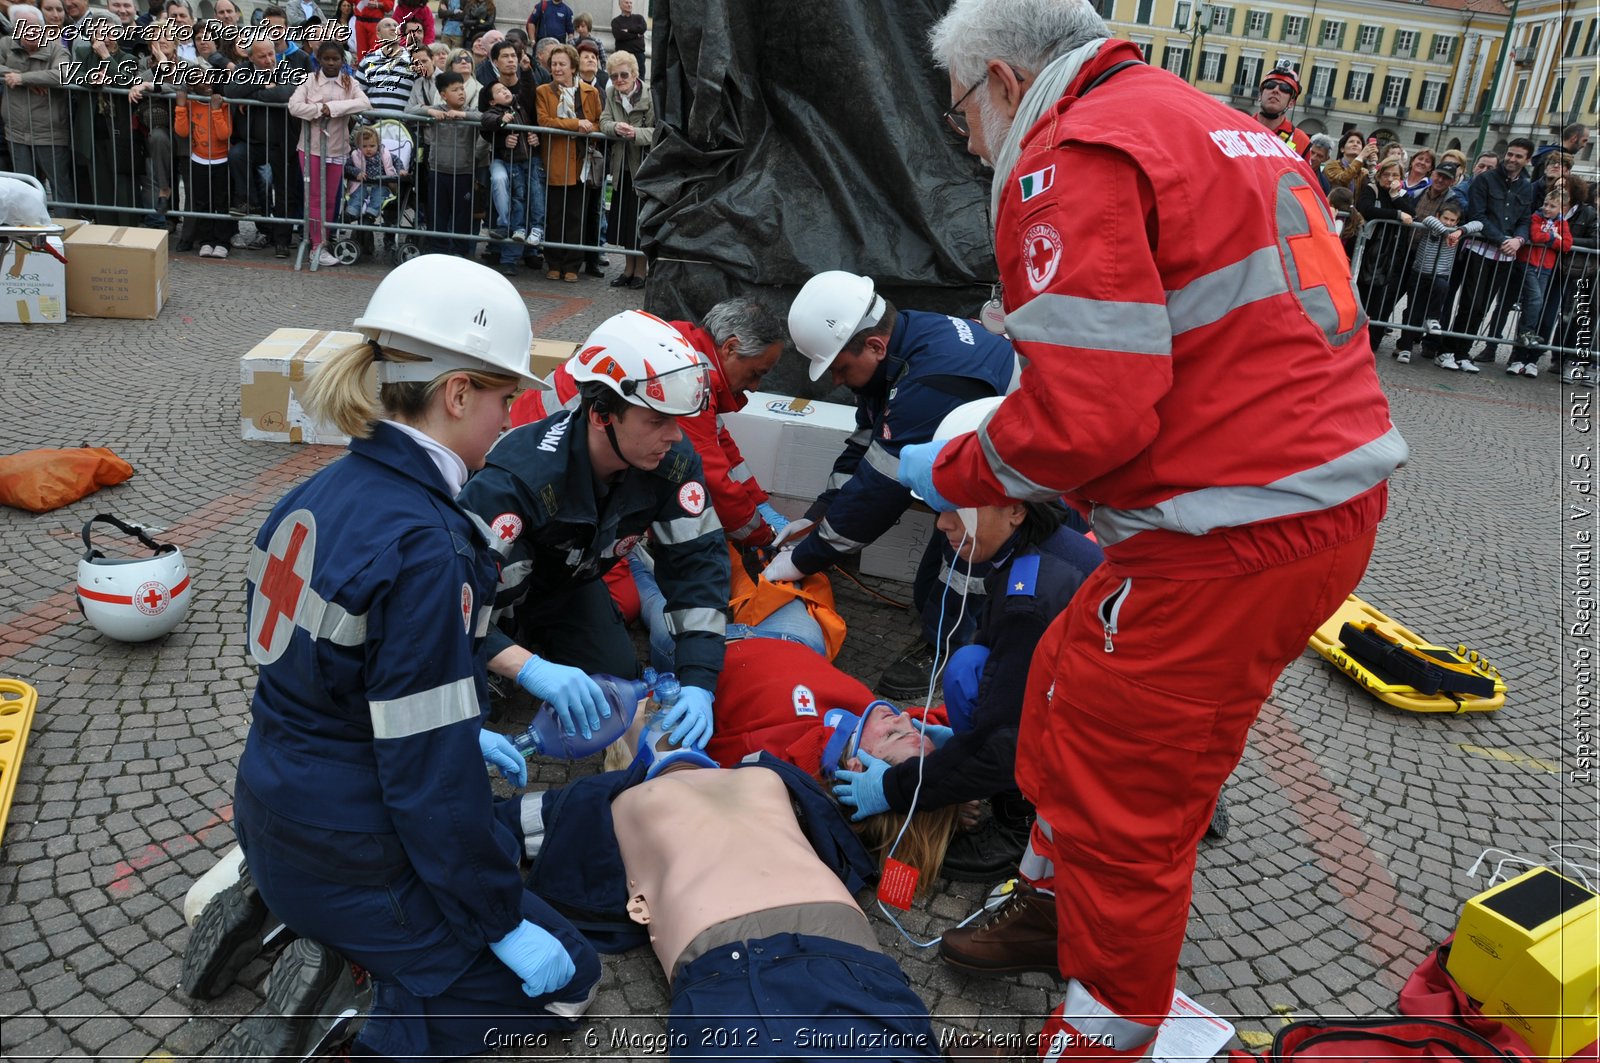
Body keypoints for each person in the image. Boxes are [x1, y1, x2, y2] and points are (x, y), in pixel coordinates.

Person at [913, 1, 1405, 1057]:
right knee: (1061, 678)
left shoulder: (1073, 152)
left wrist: (954, 465)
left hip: (1226, 531)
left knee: (1122, 800)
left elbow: (1090, 411)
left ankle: (1105, 1033)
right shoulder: (1201, 119)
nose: (963, 136)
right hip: (1293, 504)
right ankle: (1049, 905)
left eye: (958, 108)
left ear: (1001, 79)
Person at [225, 255, 601, 1060]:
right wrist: (498, 918)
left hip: (269, 812)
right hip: (351, 850)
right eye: (504, 396)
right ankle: (367, 1012)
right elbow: (426, 780)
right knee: (569, 977)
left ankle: (315, 928)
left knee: (493, 854)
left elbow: (332, 676)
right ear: (457, 392)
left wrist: (455, 730)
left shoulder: (317, 492)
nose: (511, 416)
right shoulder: (428, 544)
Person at [512, 751, 943, 1060]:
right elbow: (485, 824)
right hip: (828, 949)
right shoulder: (610, 796)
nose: (668, 724)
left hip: (755, 960)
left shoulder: (765, 774)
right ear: (620, 750)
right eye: (647, 711)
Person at [832, 415, 1105, 882]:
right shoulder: (1030, 553)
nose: (942, 523)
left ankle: (1024, 823)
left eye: (957, 507)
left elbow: (1006, 738)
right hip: (1090, 698)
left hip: (1110, 729)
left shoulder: (1029, 596)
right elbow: (999, 676)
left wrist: (899, 789)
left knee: (975, 681)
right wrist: (960, 746)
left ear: (1015, 509)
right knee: (967, 668)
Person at [456, 310, 730, 752]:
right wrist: (525, 667)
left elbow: (697, 568)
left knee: (616, 676)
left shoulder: (671, 465)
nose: (676, 437)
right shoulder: (517, 479)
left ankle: (528, 644)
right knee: (465, 688)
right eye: (657, 421)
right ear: (602, 414)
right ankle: (498, 660)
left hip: (564, 587)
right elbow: (452, 599)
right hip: (494, 597)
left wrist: (700, 680)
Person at [765, 270, 1019, 699]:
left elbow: (879, 494)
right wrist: (818, 514)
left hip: (1019, 478)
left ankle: (949, 646)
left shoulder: (930, 382)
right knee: (929, 586)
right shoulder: (903, 343)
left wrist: (803, 560)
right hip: (986, 456)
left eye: (841, 368)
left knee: (966, 563)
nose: (837, 381)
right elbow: (865, 445)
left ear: (874, 346)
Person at [1440, 138, 1536, 373]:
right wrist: (1501, 239)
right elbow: (1477, 214)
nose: (1512, 159)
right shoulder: (1486, 179)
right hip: (1480, 249)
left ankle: (1464, 353)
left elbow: (1525, 220)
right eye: (1510, 154)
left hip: (1505, 256)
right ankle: (1448, 350)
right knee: (1470, 303)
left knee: (1482, 307)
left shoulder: (1526, 186)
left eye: (1518, 156)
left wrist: (1519, 240)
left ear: (1527, 160)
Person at [288, 38, 372, 267]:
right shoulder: (309, 81)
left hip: (337, 148)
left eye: (335, 59)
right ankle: (316, 244)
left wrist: (333, 109)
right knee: (314, 197)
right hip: (311, 148)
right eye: (327, 59)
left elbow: (364, 103)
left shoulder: (349, 82)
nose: (331, 63)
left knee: (331, 199)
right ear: (319, 60)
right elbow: (294, 106)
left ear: (341, 60)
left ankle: (324, 240)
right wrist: (317, 109)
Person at [534, 41, 600, 282]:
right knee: (555, 215)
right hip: (556, 159)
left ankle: (573, 264)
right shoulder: (543, 91)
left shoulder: (591, 93)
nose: (557, 68)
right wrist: (575, 125)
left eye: (562, 64)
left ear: (573, 67)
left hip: (581, 161)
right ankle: (553, 261)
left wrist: (587, 127)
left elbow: (597, 123)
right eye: (553, 64)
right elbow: (545, 121)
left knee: (576, 215)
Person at [1394, 163, 1472, 365]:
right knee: (1412, 309)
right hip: (1419, 272)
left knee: (1442, 287)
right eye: (1445, 218)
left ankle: (1433, 318)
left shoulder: (1456, 231)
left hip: (1439, 275)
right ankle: (1405, 346)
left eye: (1452, 220)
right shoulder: (1433, 225)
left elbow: (1476, 224)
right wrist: (1447, 230)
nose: (1448, 223)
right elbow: (1427, 218)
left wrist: (1460, 231)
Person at [1, 6, 76, 210]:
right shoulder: (6, 45)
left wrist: (22, 78)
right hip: (16, 132)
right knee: (24, 189)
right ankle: (30, 234)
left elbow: (62, 74)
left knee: (61, 188)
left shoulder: (56, 48)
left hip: (49, 132)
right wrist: (26, 80)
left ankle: (63, 234)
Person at [600, 48, 651, 287]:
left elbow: (661, 130)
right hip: (622, 167)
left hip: (645, 167)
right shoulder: (611, 94)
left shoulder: (650, 96)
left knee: (640, 222)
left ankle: (641, 271)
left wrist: (636, 133)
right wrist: (615, 128)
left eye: (623, 75)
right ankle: (628, 270)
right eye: (614, 76)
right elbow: (604, 121)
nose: (619, 80)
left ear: (634, 74)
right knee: (624, 222)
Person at [1509, 186, 1573, 377]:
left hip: (1545, 268)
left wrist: (1552, 239)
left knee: (1536, 305)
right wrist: (1554, 238)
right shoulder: (1536, 217)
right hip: (1529, 264)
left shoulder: (1563, 223)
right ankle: (1525, 338)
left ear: (1561, 209)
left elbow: (1567, 245)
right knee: (1534, 301)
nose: (1546, 208)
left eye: (1552, 206)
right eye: (1545, 204)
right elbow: (1536, 236)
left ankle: (1529, 357)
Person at [417, 69, 480, 255]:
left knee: (462, 216)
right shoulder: (437, 110)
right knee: (438, 215)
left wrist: (463, 116)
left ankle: (459, 251)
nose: (461, 92)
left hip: (463, 172)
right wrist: (429, 111)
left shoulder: (470, 112)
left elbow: (483, 117)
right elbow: (410, 110)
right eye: (455, 90)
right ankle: (438, 250)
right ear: (443, 95)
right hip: (438, 171)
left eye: (462, 88)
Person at [1355, 157, 1415, 351]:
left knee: (1381, 300)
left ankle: (1372, 342)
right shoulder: (1371, 190)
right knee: (1363, 295)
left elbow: (1411, 213)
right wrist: (1396, 215)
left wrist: (1396, 197)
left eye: (1395, 175)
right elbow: (1367, 209)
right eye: (1387, 174)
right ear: (1380, 175)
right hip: (1369, 251)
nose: (1390, 178)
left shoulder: (1401, 194)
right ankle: (1355, 339)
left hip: (1391, 253)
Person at [172, 77, 234, 257]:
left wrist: (215, 111)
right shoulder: (191, 103)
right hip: (198, 160)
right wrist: (181, 107)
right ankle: (207, 240)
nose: (206, 83)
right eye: (200, 81)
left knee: (221, 202)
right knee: (202, 202)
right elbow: (182, 131)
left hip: (221, 161)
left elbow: (224, 134)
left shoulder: (223, 104)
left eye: (209, 80)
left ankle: (222, 241)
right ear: (192, 86)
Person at [1247, 60, 1307, 155]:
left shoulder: (1300, 140)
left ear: (1291, 102)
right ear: (1260, 95)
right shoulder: (1238, 127)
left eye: (1284, 88)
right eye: (1270, 85)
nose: (1275, 90)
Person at [1323, 130, 1371, 196]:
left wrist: (1372, 165)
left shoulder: (1363, 172)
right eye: (1351, 142)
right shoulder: (1331, 165)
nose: (1355, 144)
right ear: (1342, 149)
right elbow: (1342, 180)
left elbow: (1370, 190)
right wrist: (1360, 157)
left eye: (1358, 143)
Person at [611, 0, 645, 77]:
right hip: (623, 57)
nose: (629, 5)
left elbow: (643, 28)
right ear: (620, 5)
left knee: (639, 80)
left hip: (638, 56)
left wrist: (628, 30)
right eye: (626, 3)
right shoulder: (616, 21)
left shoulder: (639, 18)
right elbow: (619, 35)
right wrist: (636, 35)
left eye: (630, 3)